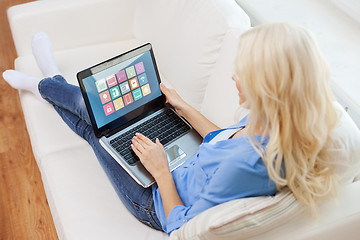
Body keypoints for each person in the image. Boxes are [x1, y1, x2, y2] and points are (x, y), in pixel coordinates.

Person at [3, 23, 340, 234]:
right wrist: (182, 106)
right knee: (107, 118)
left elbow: (184, 225)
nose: (234, 77)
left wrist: (161, 171)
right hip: (180, 165)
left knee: (99, 132)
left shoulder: (246, 167)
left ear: (267, 87)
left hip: (155, 199)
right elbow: (224, 142)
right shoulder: (278, 125)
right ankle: (51, 81)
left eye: (244, 73)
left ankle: (44, 83)